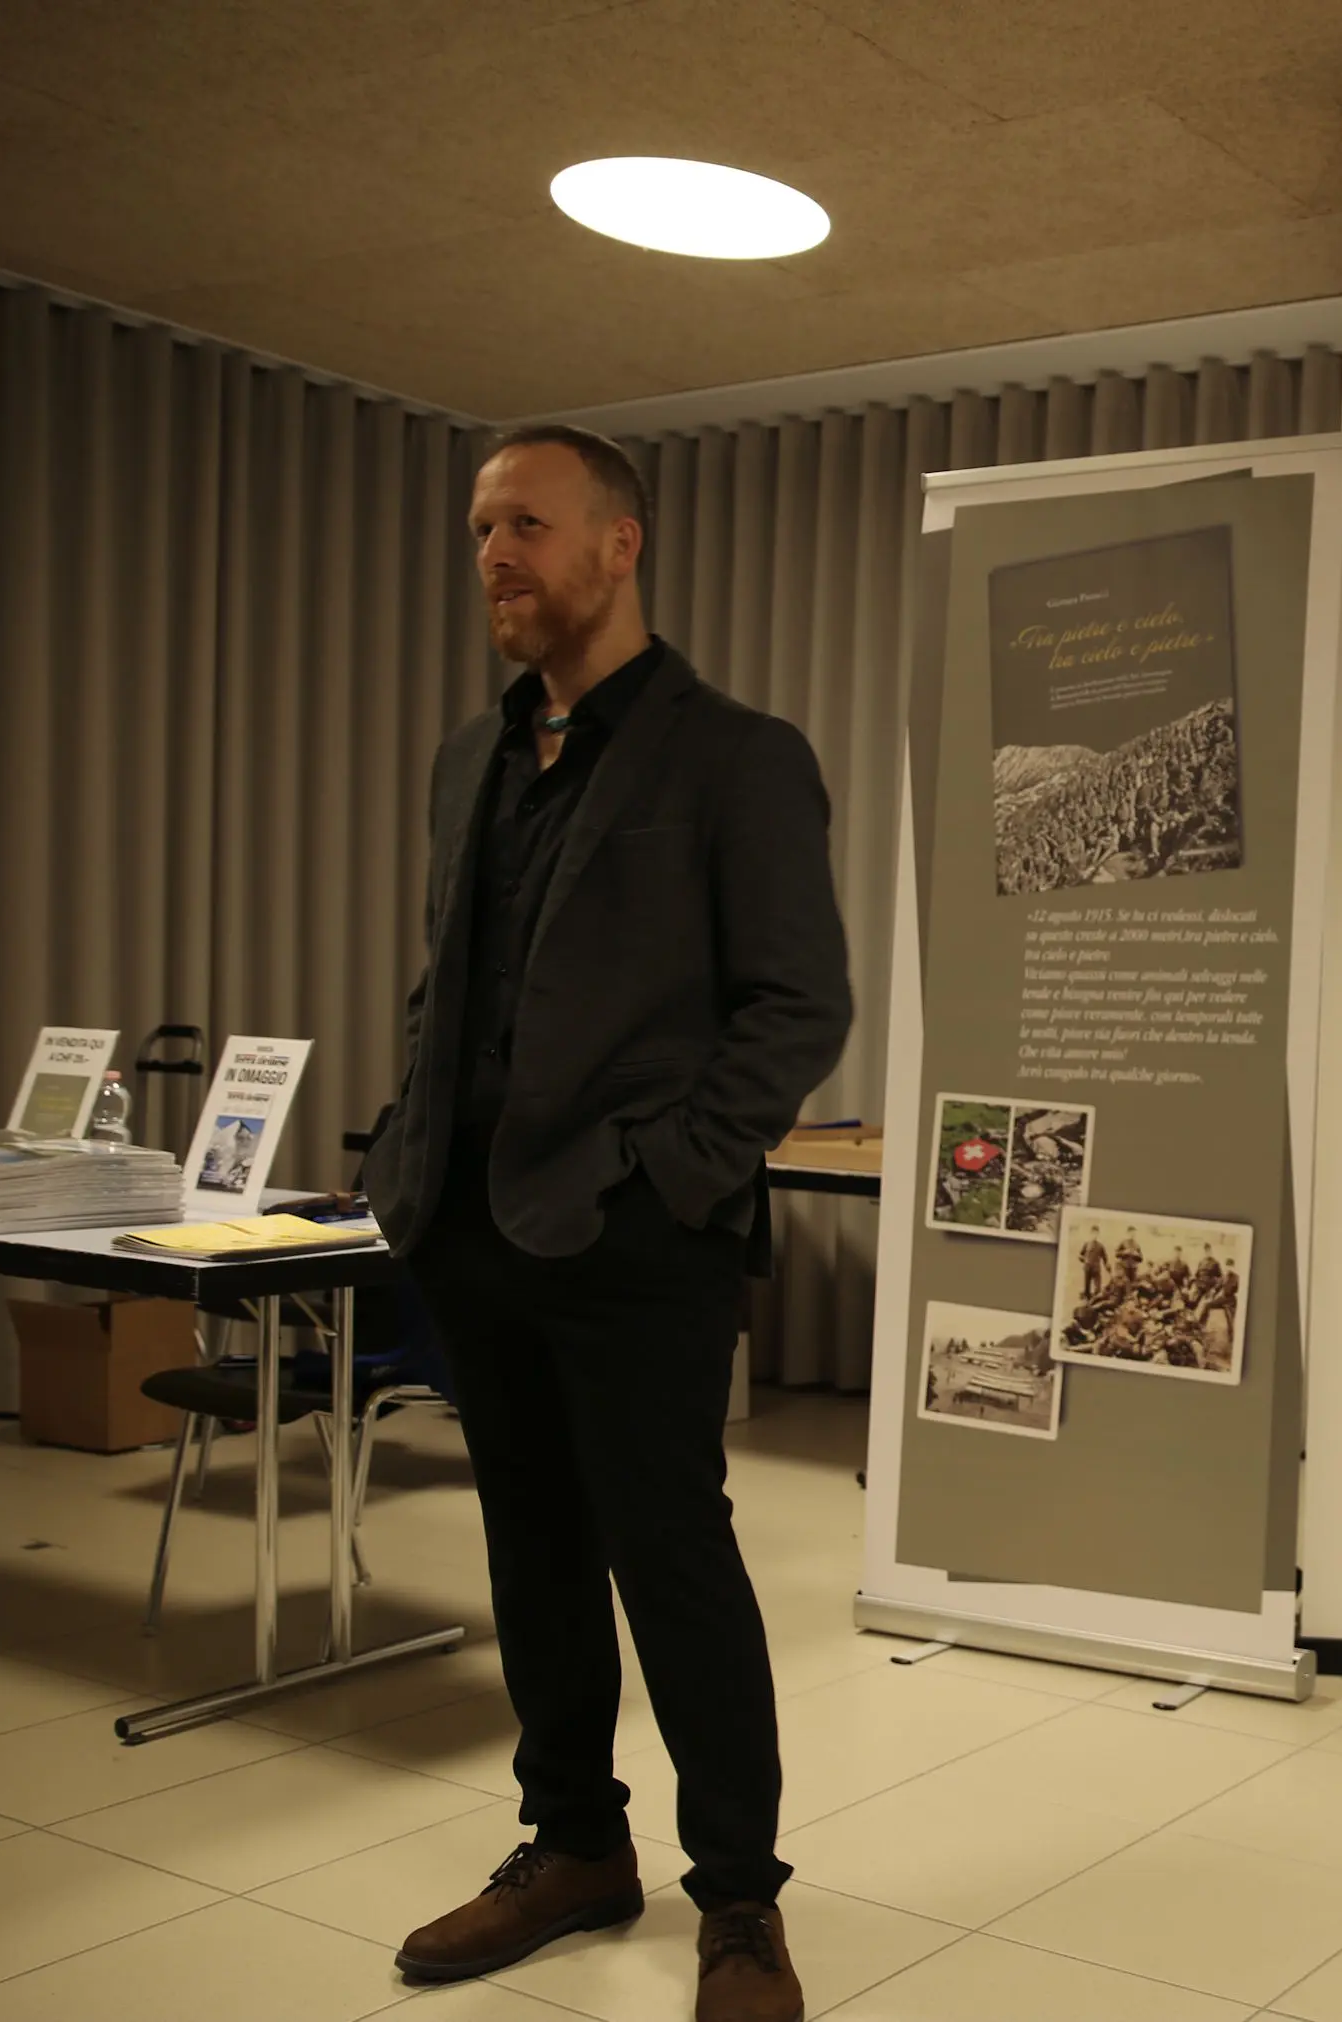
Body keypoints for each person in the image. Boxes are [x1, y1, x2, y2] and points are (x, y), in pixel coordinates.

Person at [359, 424, 849, 2022]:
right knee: (533, 1552)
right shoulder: (470, 758)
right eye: (482, 525)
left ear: (620, 544)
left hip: (637, 1241)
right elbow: (457, 982)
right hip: (474, 1228)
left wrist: (675, 1177)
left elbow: (797, 1006)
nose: (496, 551)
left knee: (674, 1559)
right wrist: (404, 1154)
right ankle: (571, 1844)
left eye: (529, 523)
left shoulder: (735, 753)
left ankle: (742, 1903)